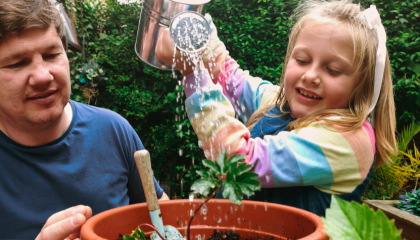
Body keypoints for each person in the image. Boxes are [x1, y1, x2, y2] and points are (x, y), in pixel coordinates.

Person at [156, 0, 397, 216]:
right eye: (302, 60)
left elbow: (239, 163)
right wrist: (198, 30)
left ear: (362, 86)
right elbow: (231, 80)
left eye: (333, 70)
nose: (311, 75)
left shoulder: (347, 139)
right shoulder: (281, 104)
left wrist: (192, 73)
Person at [0, 0, 169, 239]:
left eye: (51, 55)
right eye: (17, 63)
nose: (42, 76)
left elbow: (164, 221)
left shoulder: (114, 131)